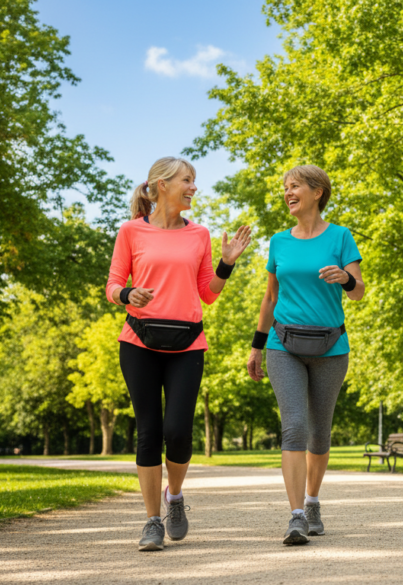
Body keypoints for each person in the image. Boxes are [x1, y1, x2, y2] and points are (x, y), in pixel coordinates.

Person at [106, 156, 252, 551]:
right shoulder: (131, 231)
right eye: (187, 180)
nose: (193, 187)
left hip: (188, 343)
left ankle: (175, 497)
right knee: (149, 433)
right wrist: (127, 294)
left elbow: (208, 293)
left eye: (194, 180)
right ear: (162, 184)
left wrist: (226, 263)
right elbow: (113, 284)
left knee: (178, 432)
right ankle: (152, 521)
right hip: (138, 341)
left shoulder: (199, 234)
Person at [246, 164, 365, 545]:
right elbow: (270, 297)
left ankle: (312, 500)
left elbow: (359, 290)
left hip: (331, 347)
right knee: (294, 425)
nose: (288, 192)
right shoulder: (279, 241)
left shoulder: (341, 237)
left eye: (295, 186)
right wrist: (257, 346)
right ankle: (296, 515)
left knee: (319, 433)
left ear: (317, 191)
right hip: (284, 345)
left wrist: (345, 278)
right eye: (285, 187)